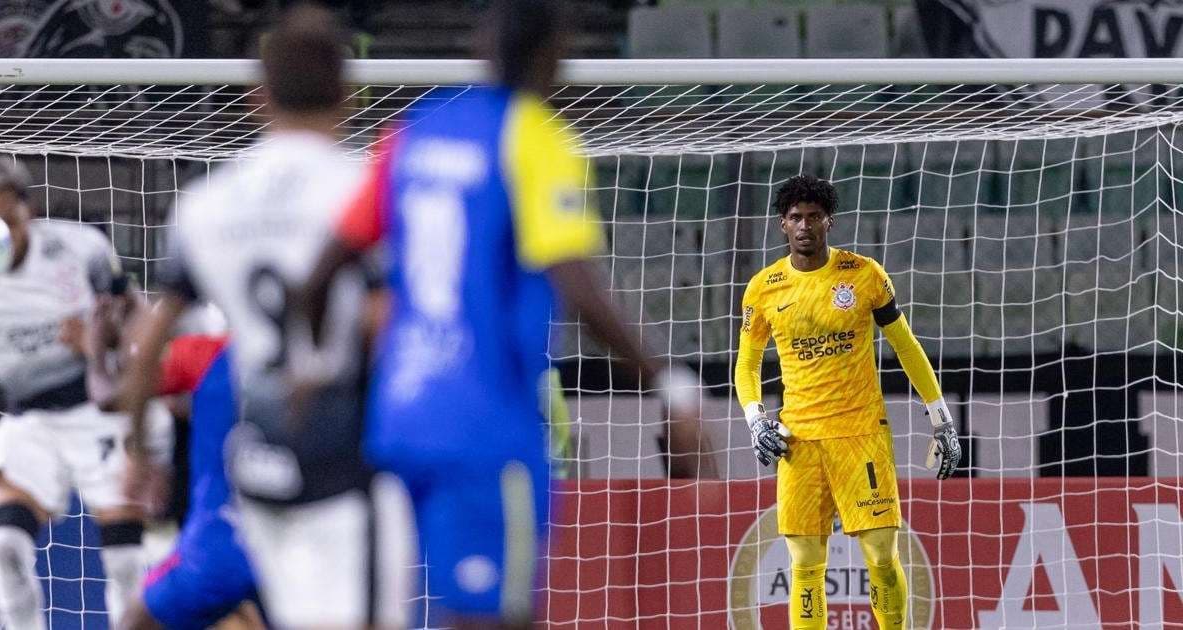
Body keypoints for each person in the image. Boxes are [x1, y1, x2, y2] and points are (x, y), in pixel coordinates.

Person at [299, 1, 710, 627]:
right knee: (497, 616)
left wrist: (320, 374)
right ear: (555, 51)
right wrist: (666, 378)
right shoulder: (534, 136)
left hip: (396, 421)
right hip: (487, 427)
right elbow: (576, 283)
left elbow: (324, 269)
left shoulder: (415, 130)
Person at [120, 6, 402, 628]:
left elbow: (148, 346)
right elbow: (386, 324)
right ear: (348, 95)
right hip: (347, 462)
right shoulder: (366, 189)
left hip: (259, 465)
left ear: (257, 98)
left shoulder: (206, 204)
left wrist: (139, 451)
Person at [734, 174, 963, 630]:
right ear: (783, 225)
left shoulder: (863, 275)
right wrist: (756, 419)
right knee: (805, 562)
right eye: (795, 217)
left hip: (860, 434)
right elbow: (747, 364)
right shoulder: (764, 288)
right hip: (799, 439)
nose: (805, 226)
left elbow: (905, 345)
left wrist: (941, 419)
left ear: (829, 222)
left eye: (814, 217)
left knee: (880, 552)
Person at [0, 157, 167, 628]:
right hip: (31, 418)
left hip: (98, 410)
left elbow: (138, 315)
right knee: (3, 544)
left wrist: (99, 340)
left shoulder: (78, 247)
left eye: (7, 219)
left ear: (29, 210)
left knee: (126, 560)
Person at [117, 331, 263, 630]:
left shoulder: (212, 355)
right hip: (291, 538)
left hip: (224, 539)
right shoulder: (208, 354)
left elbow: (115, 389)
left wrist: (138, 454)